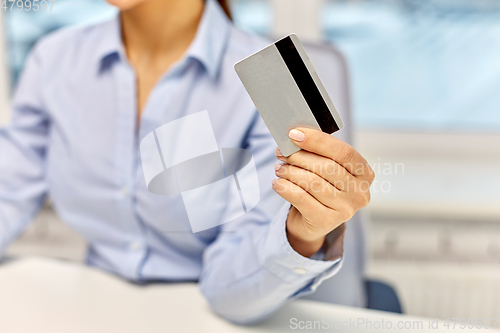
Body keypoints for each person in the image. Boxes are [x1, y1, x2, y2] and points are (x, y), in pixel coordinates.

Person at [0, 0, 374, 324]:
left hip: (210, 315)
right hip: (94, 309)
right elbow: (8, 193)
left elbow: (231, 292)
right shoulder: (53, 61)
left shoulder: (270, 84)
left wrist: (303, 232)